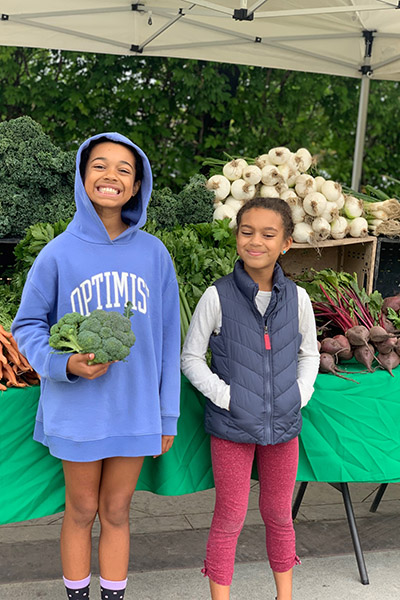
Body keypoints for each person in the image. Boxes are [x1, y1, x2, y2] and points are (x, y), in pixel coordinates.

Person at [11, 132, 181, 600]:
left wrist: (167, 413)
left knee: (118, 510)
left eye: (124, 169)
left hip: (134, 408)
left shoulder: (154, 254)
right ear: (83, 178)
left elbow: (170, 339)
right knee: (81, 509)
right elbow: (26, 325)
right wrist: (63, 363)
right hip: (76, 409)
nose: (111, 175)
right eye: (99, 166)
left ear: (137, 186)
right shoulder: (57, 252)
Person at [181, 196, 320, 600]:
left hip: (284, 425)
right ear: (236, 236)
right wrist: (226, 397)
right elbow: (191, 358)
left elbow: (309, 353)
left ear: (286, 244)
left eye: (267, 234)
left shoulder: (298, 299)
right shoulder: (217, 296)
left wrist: (299, 393)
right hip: (232, 427)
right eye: (246, 231)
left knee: (279, 514)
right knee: (230, 516)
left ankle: (285, 595)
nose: (255, 241)